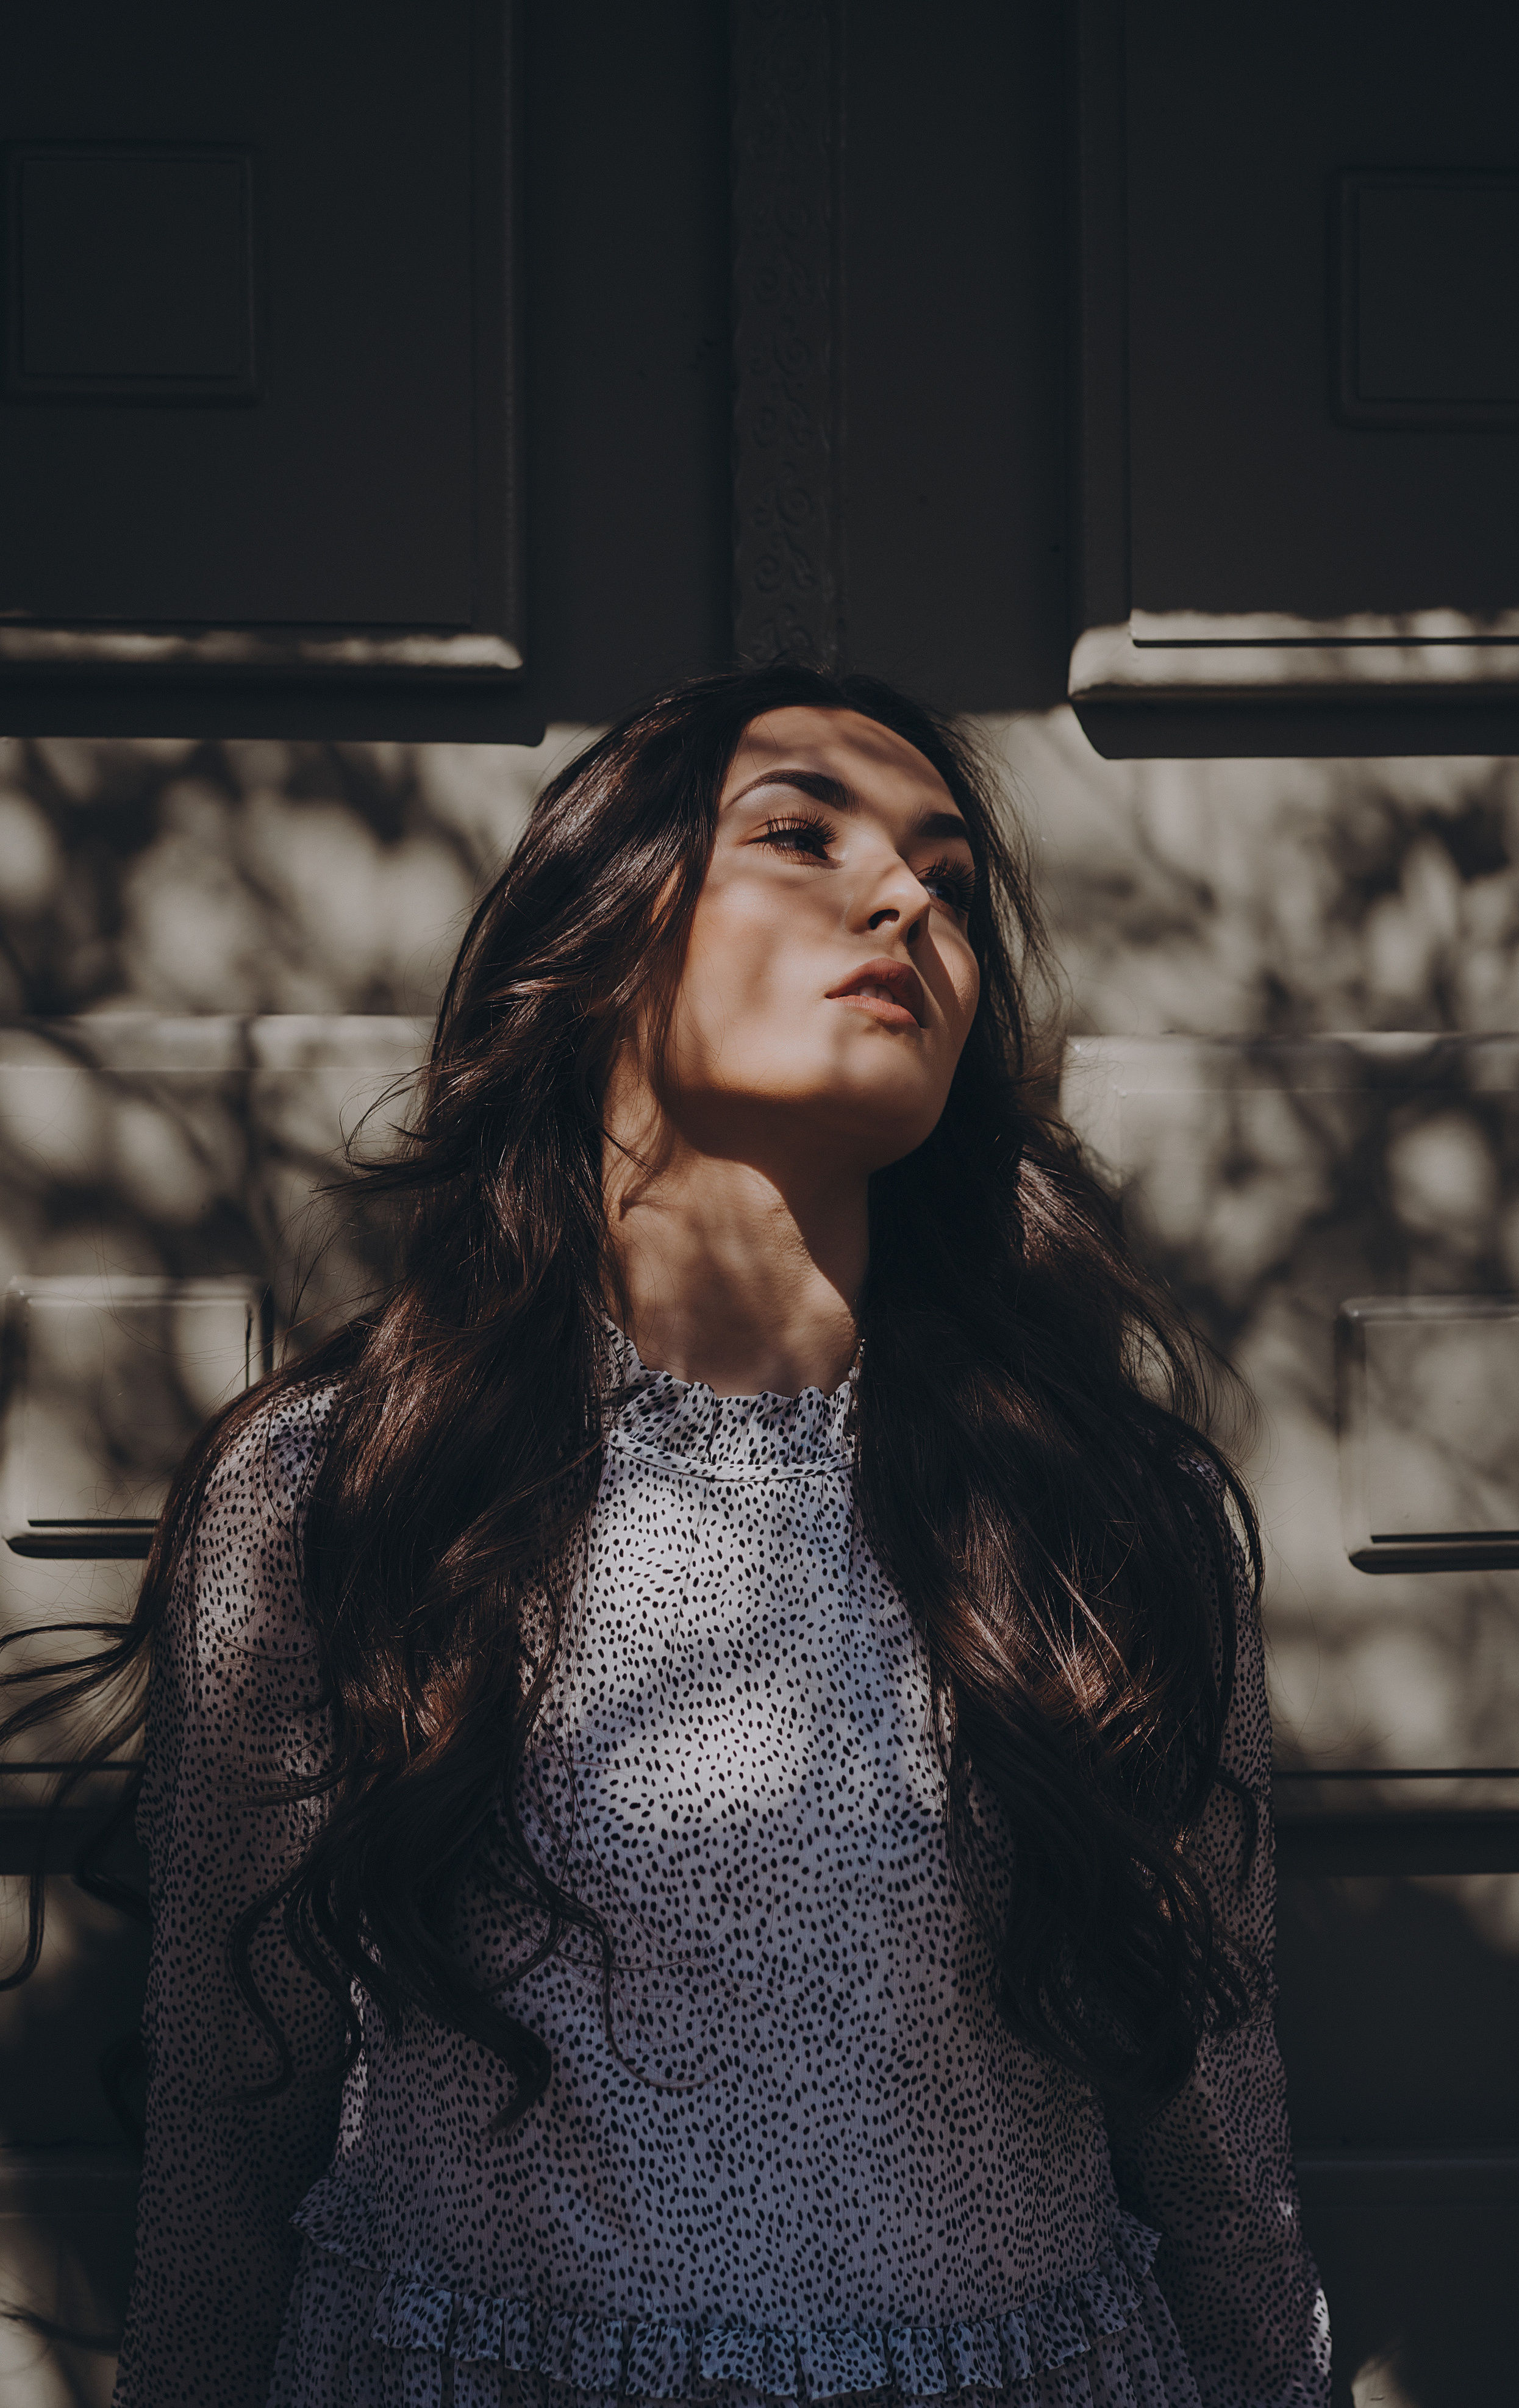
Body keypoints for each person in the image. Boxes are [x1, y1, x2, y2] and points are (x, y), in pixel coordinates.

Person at [4, 665, 1329, 2407]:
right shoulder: (346, 1488)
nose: (907, 902)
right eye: (803, 835)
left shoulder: (1105, 1512)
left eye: (947, 877)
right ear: (612, 935)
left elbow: (1218, 2139)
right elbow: (227, 2135)